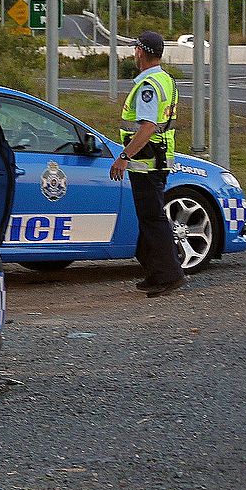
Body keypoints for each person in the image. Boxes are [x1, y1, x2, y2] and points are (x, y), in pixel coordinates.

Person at [109, 30, 186, 297]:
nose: (134, 53)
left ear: (140, 52)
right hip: (158, 161)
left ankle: (170, 274)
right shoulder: (166, 80)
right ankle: (155, 271)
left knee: (153, 219)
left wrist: (123, 157)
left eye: (135, 49)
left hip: (147, 162)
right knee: (150, 218)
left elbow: (147, 127)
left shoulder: (148, 86)